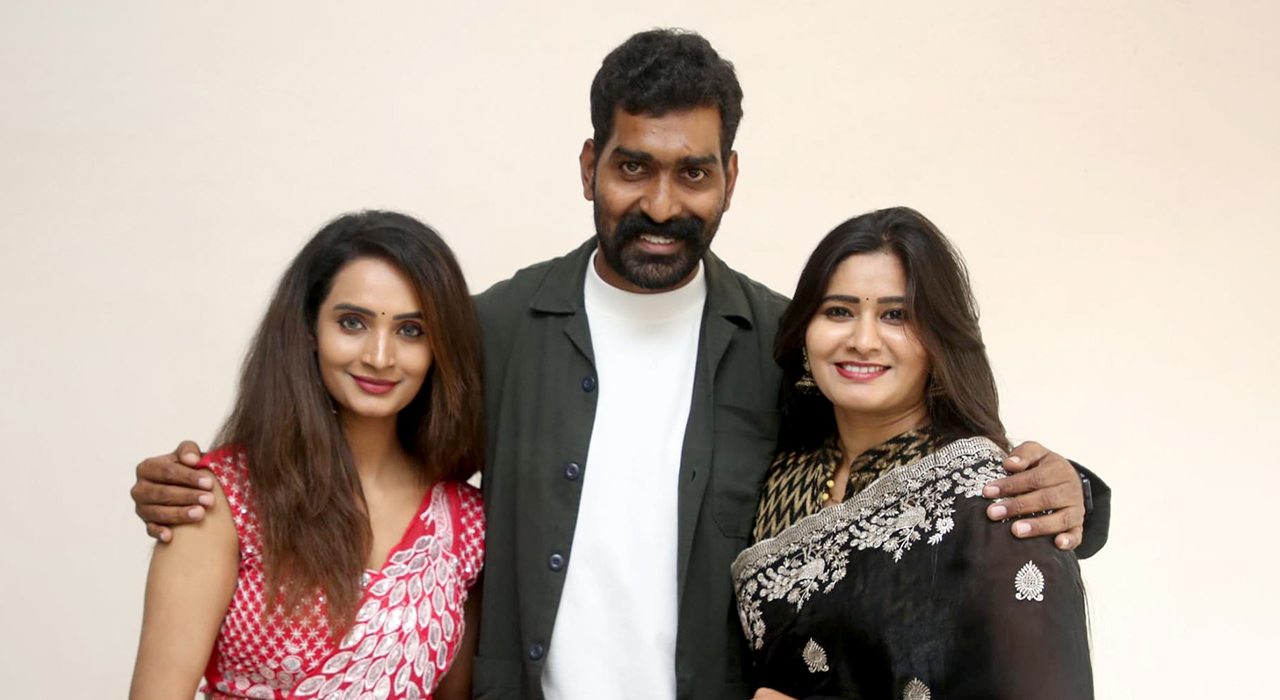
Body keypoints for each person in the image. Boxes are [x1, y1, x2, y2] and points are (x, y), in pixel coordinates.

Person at [129, 30, 1109, 700]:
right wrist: (203, 489)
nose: (662, 203)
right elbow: (365, 444)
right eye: (633, 166)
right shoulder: (493, 327)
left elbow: (911, 464)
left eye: (693, 172)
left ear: (729, 177)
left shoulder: (787, 342)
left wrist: (1080, 495)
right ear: (589, 165)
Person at [734, 207, 1093, 700]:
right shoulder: (780, 472)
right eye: (838, 311)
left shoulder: (996, 501)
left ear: (938, 338)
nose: (862, 341)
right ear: (804, 332)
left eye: (896, 315)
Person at [128, 211, 486, 700]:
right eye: (352, 323)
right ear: (309, 329)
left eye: (410, 331)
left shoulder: (466, 524)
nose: (379, 357)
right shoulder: (220, 499)